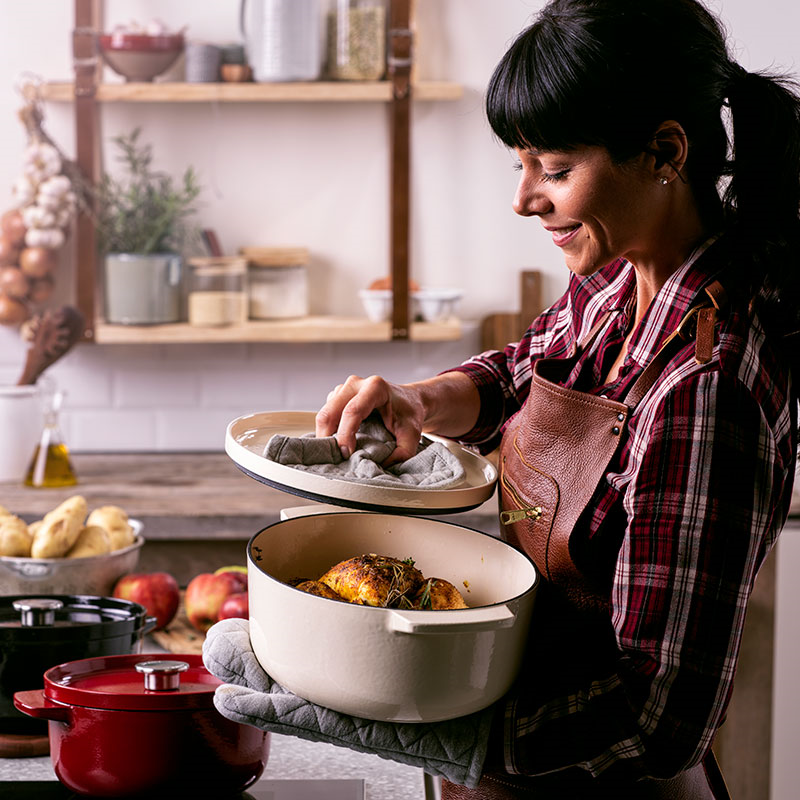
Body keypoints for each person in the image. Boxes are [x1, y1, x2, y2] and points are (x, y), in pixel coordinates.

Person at [203, 0, 800, 797]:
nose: (523, 199)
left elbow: (657, 719)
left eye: (554, 170)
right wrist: (423, 400)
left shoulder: (705, 390)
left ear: (664, 152)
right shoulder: (617, 280)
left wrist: (440, 732)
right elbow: (525, 369)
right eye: (519, 165)